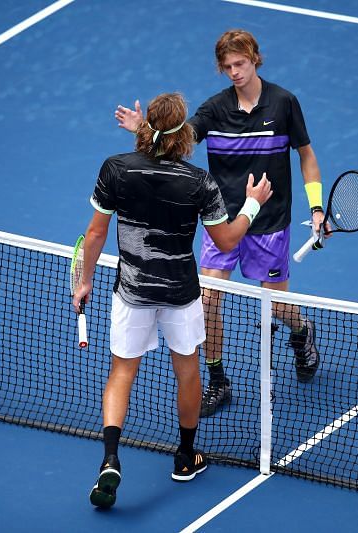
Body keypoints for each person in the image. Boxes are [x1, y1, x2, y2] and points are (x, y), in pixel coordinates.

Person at [73, 92, 272, 509]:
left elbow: (94, 235)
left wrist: (84, 281)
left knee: (121, 374)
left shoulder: (116, 170)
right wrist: (252, 205)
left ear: (149, 130)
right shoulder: (199, 183)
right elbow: (227, 239)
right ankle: (185, 456)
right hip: (181, 295)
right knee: (187, 371)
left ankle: (110, 458)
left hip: (132, 292)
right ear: (183, 133)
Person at [115, 30, 327, 417]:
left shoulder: (284, 104)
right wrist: (143, 130)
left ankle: (301, 331)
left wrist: (316, 208)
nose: (234, 73)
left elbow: (307, 156)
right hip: (222, 221)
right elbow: (175, 141)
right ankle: (217, 379)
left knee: (278, 306)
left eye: (240, 64)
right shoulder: (214, 110)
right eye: (227, 67)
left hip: (269, 221)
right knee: (208, 300)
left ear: (255, 59)